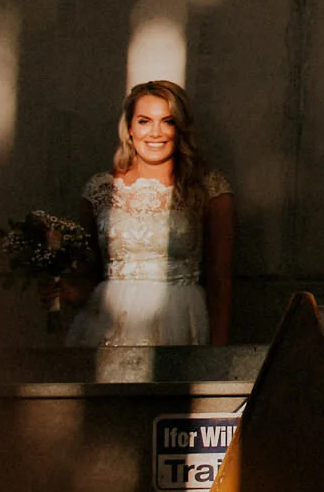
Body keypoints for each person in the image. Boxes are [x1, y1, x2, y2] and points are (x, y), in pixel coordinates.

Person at [59, 80, 236, 345]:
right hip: (107, 326)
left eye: (168, 121)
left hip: (179, 321)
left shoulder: (209, 189)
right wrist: (66, 292)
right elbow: (89, 275)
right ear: (129, 128)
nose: (156, 132)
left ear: (181, 129)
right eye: (144, 121)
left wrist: (218, 354)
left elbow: (220, 280)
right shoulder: (99, 189)